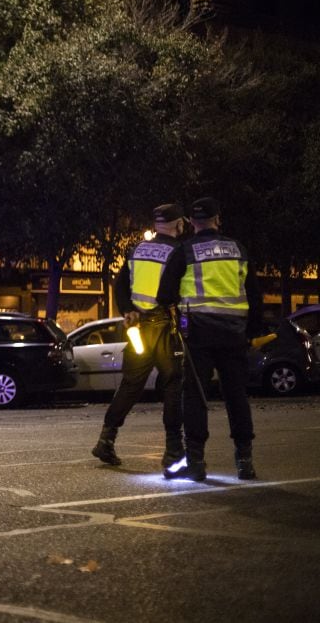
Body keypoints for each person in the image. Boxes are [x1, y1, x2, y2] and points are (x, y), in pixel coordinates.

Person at [163, 197, 262, 481]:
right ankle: (244, 461)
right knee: (236, 396)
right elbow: (253, 294)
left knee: (195, 397)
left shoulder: (185, 250)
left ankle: (195, 462)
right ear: (218, 219)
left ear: (192, 223)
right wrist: (252, 331)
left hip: (199, 335)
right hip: (233, 335)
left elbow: (164, 294)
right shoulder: (238, 250)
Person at [92, 204, 187, 474]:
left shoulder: (136, 250)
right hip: (165, 328)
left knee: (130, 384)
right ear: (177, 224)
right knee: (172, 384)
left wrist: (128, 311)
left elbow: (120, 285)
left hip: (136, 328)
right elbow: (172, 290)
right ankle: (173, 451)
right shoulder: (178, 251)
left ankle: (106, 440)